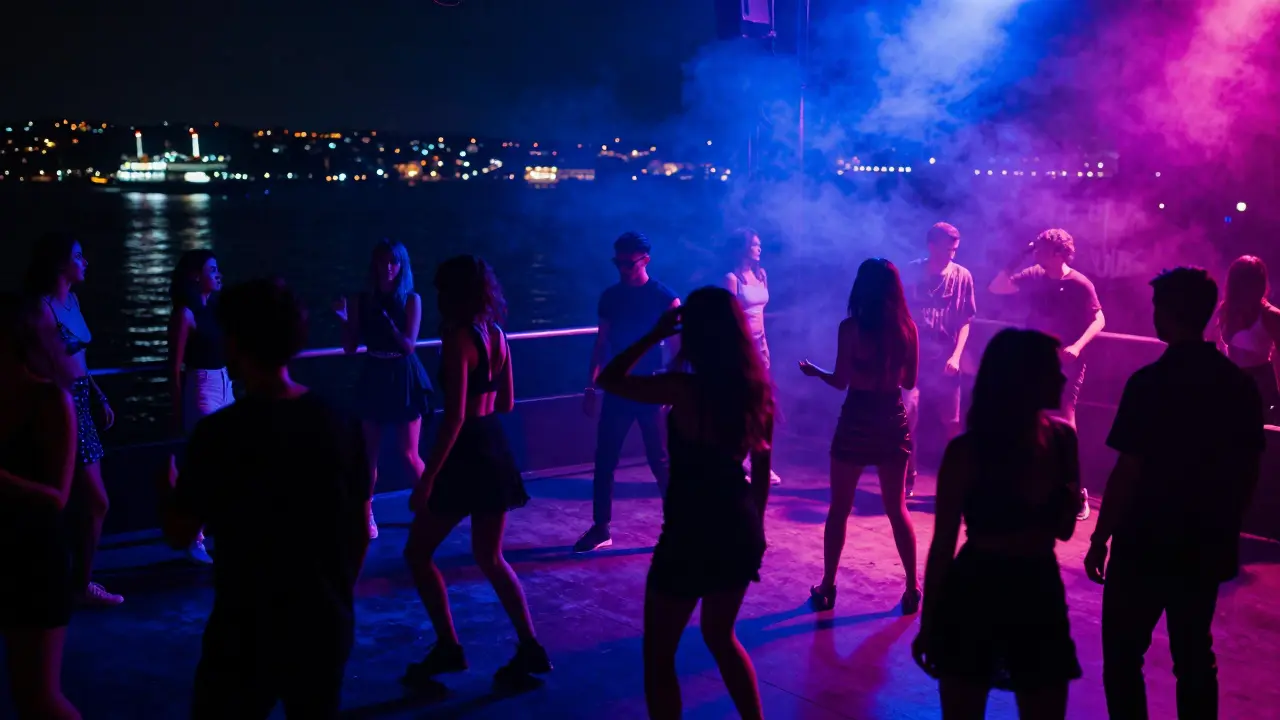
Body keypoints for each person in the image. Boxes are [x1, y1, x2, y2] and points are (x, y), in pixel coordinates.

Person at [160, 278, 372, 719]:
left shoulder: (218, 435)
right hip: (320, 620)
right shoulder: (340, 423)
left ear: (234, 342)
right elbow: (359, 531)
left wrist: (170, 484)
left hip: (244, 626)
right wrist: (337, 597)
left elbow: (179, 532)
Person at [1086, 267, 1265, 720]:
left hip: (1144, 538)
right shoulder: (1239, 386)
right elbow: (1248, 468)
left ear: (1166, 313)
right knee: (1194, 657)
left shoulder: (1148, 383)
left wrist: (1099, 536)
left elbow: (1128, 470)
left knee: (1124, 657)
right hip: (1203, 540)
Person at [597, 286, 774, 720]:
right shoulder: (756, 391)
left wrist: (652, 335)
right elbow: (763, 475)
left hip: (691, 530)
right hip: (738, 525)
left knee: (659, 655)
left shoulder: (683, 387)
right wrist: (758, 528)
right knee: (721, 636)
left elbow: (609, 377)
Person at [913, 328, 1083, 719]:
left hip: (1013, 585)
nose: (1062, 378)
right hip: (1001, 586)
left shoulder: (1058, 440)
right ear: (1024, 380)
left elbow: (1063, 529)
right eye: (1051, 371)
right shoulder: (971, 451)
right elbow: (941, 547)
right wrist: (930, 621)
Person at [401, 256, 550, 687]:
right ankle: (530, 646)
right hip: (495, 449)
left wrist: (428, 477)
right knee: (491, 556)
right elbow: (505, 404)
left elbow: (454, 417)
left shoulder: (456, 339)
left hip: (465, 453)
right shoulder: (499, 336)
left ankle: (449, 647)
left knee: (417, 553)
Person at [800, 258, 922, 614]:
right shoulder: (907, 329)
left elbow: (840, 381)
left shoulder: (850, 328)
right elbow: (911, 382)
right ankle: (913, 589)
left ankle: (827, 587)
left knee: (839, 508)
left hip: (856, 418)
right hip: (890, 417)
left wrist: (815, 372)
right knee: (897, 509)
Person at [24, 233, 122, 607]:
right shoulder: (40, 309)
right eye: (78, 256)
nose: (85, 262)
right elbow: (36, 361)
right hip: (60, 404)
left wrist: (96, 393)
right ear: (59, 263)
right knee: (85, 500)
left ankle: (76, 581)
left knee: (83, 501)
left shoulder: (74, 301)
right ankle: (75, 583)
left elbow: (79, 359)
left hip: (81, 400)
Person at [0, 294, 82, 720]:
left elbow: (58, 497)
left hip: (37, 559)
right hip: (7, 551)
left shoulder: (52, 400)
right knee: (20, 691)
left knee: (39, 697)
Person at [575, 231, 680, 554]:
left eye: (628, 262)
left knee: (660, 460)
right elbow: (601, 341)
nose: (622, 268)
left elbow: (679, 347)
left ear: (645, 260)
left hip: (649, 387)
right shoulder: (611, 296)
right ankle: (601, 527)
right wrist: (591, 384)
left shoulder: (665, 298)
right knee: (605, 459)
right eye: (617, 262)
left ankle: (676, 527)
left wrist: (671, 389)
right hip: (618, 388)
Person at [988, 228, 1104, 520]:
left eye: (1040, 249)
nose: (1036, 253)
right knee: (1026, 420)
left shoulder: (1079, 283)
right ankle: (1029, 486)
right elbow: (997, 287)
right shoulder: (1033, 274)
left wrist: (1077, 346)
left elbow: (1100, 319)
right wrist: (1021, 255)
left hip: (1065, 362)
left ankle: (1076, 491)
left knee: (1066, 423)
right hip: (1033, 360)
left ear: (1059, 253)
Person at [334, 239, 432, 540]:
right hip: (374, 372)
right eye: (382, 261)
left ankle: (431, 510)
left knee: (407, 453)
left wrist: (385, 320)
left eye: (393, 261)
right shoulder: (360, 300)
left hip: (403, 375)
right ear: (374, 264)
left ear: (401, 266)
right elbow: (350, 347)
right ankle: (366, 516)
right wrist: (345, 321)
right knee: (368, 454)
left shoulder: (412, 300)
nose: (387, 267)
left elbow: (407, 346)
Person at [903, 222, 977, 498]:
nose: (952, 254)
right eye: (948, 249)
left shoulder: (962, 276)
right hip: (914, 359)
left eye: (955, 249)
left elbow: (966, 322)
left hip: (945, 359)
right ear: (931, 246)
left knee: (953, 423)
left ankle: (955, 479)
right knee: (907, 415)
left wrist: (956, 356)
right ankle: (907, 473)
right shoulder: (911, 272)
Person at [166, 250, 227, 565]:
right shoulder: (185, 314)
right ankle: (195, 536)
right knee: (207, 463)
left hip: (225, 383)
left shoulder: (215, 309)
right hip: (201, 385)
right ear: (194, 276)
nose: (218, 274)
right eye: (212, 269)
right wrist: (177, 411)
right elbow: (174, 366)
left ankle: (218, 531)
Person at [722, 227, 781, 486]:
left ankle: (760, 461)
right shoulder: (731, 278)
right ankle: (739, 461)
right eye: (755, 245)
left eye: (759, 244)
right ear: (743, 248)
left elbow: (760, 315)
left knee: (762, 406)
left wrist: (764, 346)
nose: (759, 249)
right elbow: (727, 319)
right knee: (741, 406)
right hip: (740, 350)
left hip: (761, 346)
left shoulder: (761, 274)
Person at [1216, 255, 1280, 423]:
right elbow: (1214, 345)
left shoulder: (1271, 316)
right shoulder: (1227, 309)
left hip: (1260, 383)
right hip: (1231, 379)